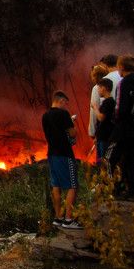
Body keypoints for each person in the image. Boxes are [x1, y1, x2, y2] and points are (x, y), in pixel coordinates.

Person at [42, 91, 81, 229]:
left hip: (51, 154)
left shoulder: (45, 116)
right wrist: (72, 123)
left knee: (56, 186)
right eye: (65, 102)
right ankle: (69, 219)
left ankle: (58, 217)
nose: (66, 105)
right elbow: (72, 133)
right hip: (65, 154)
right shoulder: (63, 114)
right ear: (61, 100)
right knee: (72, 185)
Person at [114, 55, 134, 198]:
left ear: (121, 67)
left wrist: (117, 120)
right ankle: (133, 189)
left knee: (119, 158)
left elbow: (121, 107)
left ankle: (120, 188)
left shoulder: (124, 83)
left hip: (125, 128)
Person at [88, 64, 110, 158]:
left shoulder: (97, 88)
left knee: (102, 162)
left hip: (102, 131)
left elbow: (94, 112)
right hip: (113, 130)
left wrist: (92, 132)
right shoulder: (110, 86)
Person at [94, 78, 116, 166]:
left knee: (104, 163)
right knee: (100, 162)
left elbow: (101, 118)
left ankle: (105, 179)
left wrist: (95, 108)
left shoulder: (109, 102)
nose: (98, 90)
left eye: (99, 88)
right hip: (101, 137)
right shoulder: (107, 102)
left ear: (104, 88)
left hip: (105, 138)